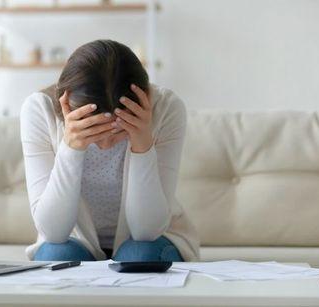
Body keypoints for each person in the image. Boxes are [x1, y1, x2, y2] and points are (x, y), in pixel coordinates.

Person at [20, 39, 200, 262]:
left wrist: (142, 145)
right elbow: (53, 233)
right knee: (55, 255)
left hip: (154, 240)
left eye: (117, 132)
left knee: (138, 255)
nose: (105, 144)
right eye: (93, 131)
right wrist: (71, 148)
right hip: (73, 240)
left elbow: (147, 231)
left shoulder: (166, 108)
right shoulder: (39, 109)